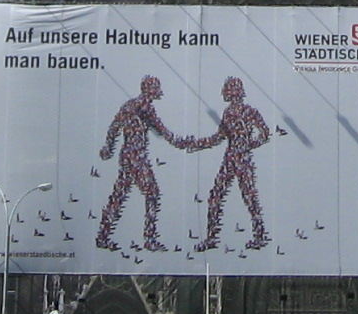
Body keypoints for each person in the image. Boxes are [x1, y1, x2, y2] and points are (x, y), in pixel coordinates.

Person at [97, 76, 185, 251]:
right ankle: (149, 239)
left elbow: (114, 126)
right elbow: (160, 128)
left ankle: (103, 236)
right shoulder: (144, 106)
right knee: (151, 194)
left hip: (127, 155)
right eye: (155, 89)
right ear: (150, 90)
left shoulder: (129, 105)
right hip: (136, 156)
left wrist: (108, 146)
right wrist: (178, 141)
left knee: (118, 196)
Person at [193, 75, 272, 251]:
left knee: (249, 197)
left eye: (228, 90)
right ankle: (211, 238)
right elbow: (220, 136)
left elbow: (265, 132)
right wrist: (198, 144)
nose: (226, 93)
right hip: (231, 158)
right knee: (216, 196)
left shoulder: (249, 111)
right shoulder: (228, 113)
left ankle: (259, 236)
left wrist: (249, 145)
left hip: (241, 159)